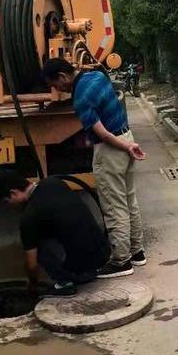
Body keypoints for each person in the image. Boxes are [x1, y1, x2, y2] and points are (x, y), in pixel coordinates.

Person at [42, 58, 146, 278]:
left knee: (113, 205)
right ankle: (137, 251)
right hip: (126, 135)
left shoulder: (81, 98)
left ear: (62, 76)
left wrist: (127, 147)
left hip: (112, 149)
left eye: (54, 84)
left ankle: (121, 261)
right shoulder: (97, 76)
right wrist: (129, 143)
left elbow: (103, 134)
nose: (56, 89)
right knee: (129, 199)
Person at [0, 169, 110, 295]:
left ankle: (64, 284)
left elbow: (32, 265)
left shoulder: (28, 217)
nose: (9, 207)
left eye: (6, 202)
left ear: (13, 193)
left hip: (81, 273)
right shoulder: (54, 183)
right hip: (102, 260)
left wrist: (33, 282)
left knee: (33, 244)